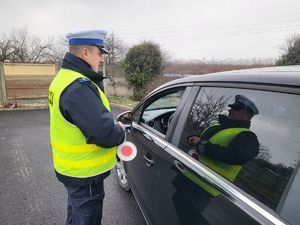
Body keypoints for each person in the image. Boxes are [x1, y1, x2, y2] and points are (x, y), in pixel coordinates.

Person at [48, 30, 125, 225]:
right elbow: (105, 134)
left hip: (72, 171)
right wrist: (120, 131)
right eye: (99, 53)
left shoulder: (64, 77)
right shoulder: (79, 87)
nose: (101, 60)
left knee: (75, 216)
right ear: (85, 52)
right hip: (85, 176)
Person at [187, 94, 259, 182]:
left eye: (236, 109)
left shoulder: (248, 136)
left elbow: (235, 156)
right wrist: (192, 138)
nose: (230, 110)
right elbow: (201, 138)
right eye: (231, 108)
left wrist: (200, 144)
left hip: (206, 185)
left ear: (247, 116)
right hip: (189, 173)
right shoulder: (217, 126)